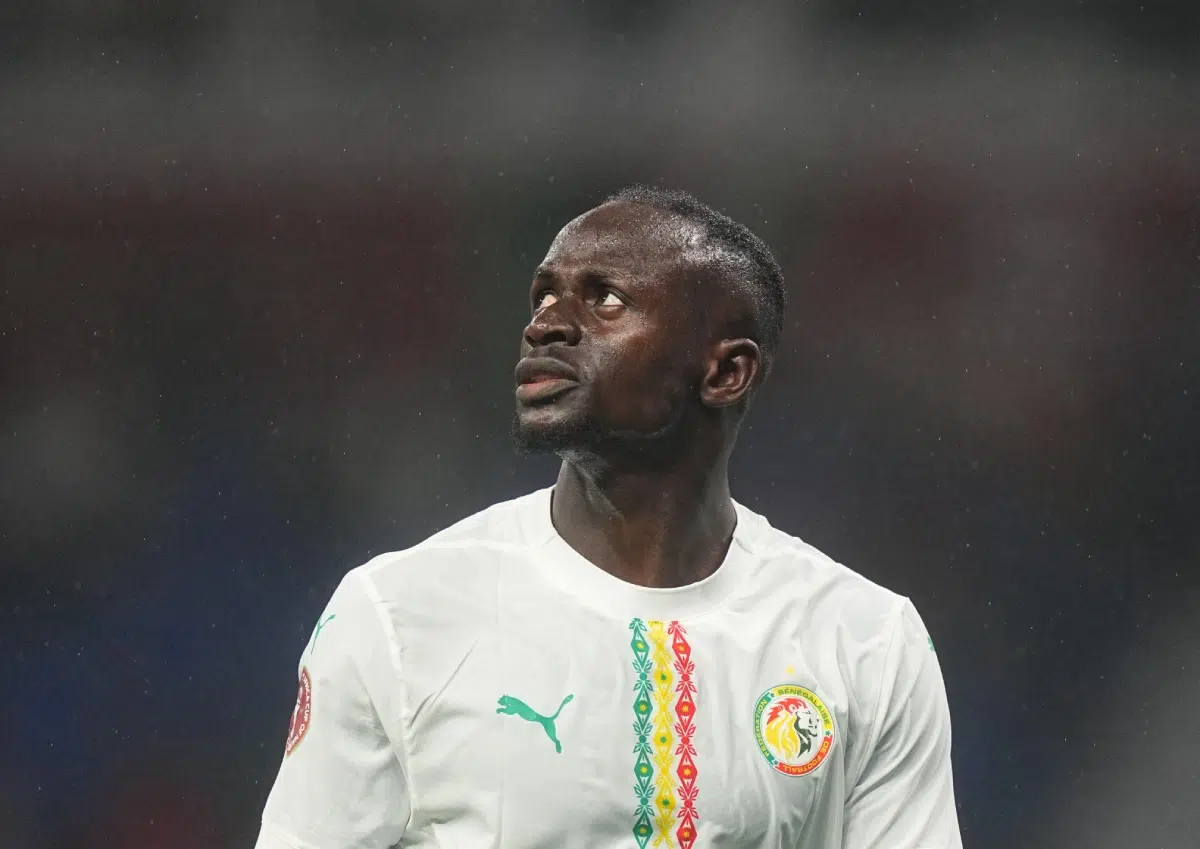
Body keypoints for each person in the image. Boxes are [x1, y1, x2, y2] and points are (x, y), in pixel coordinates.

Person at [254, 186, 962, 849]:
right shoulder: (400, 616)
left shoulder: (865, 641)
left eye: (607, 300)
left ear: (725, 372)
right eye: (543, 295)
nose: (547, 325)